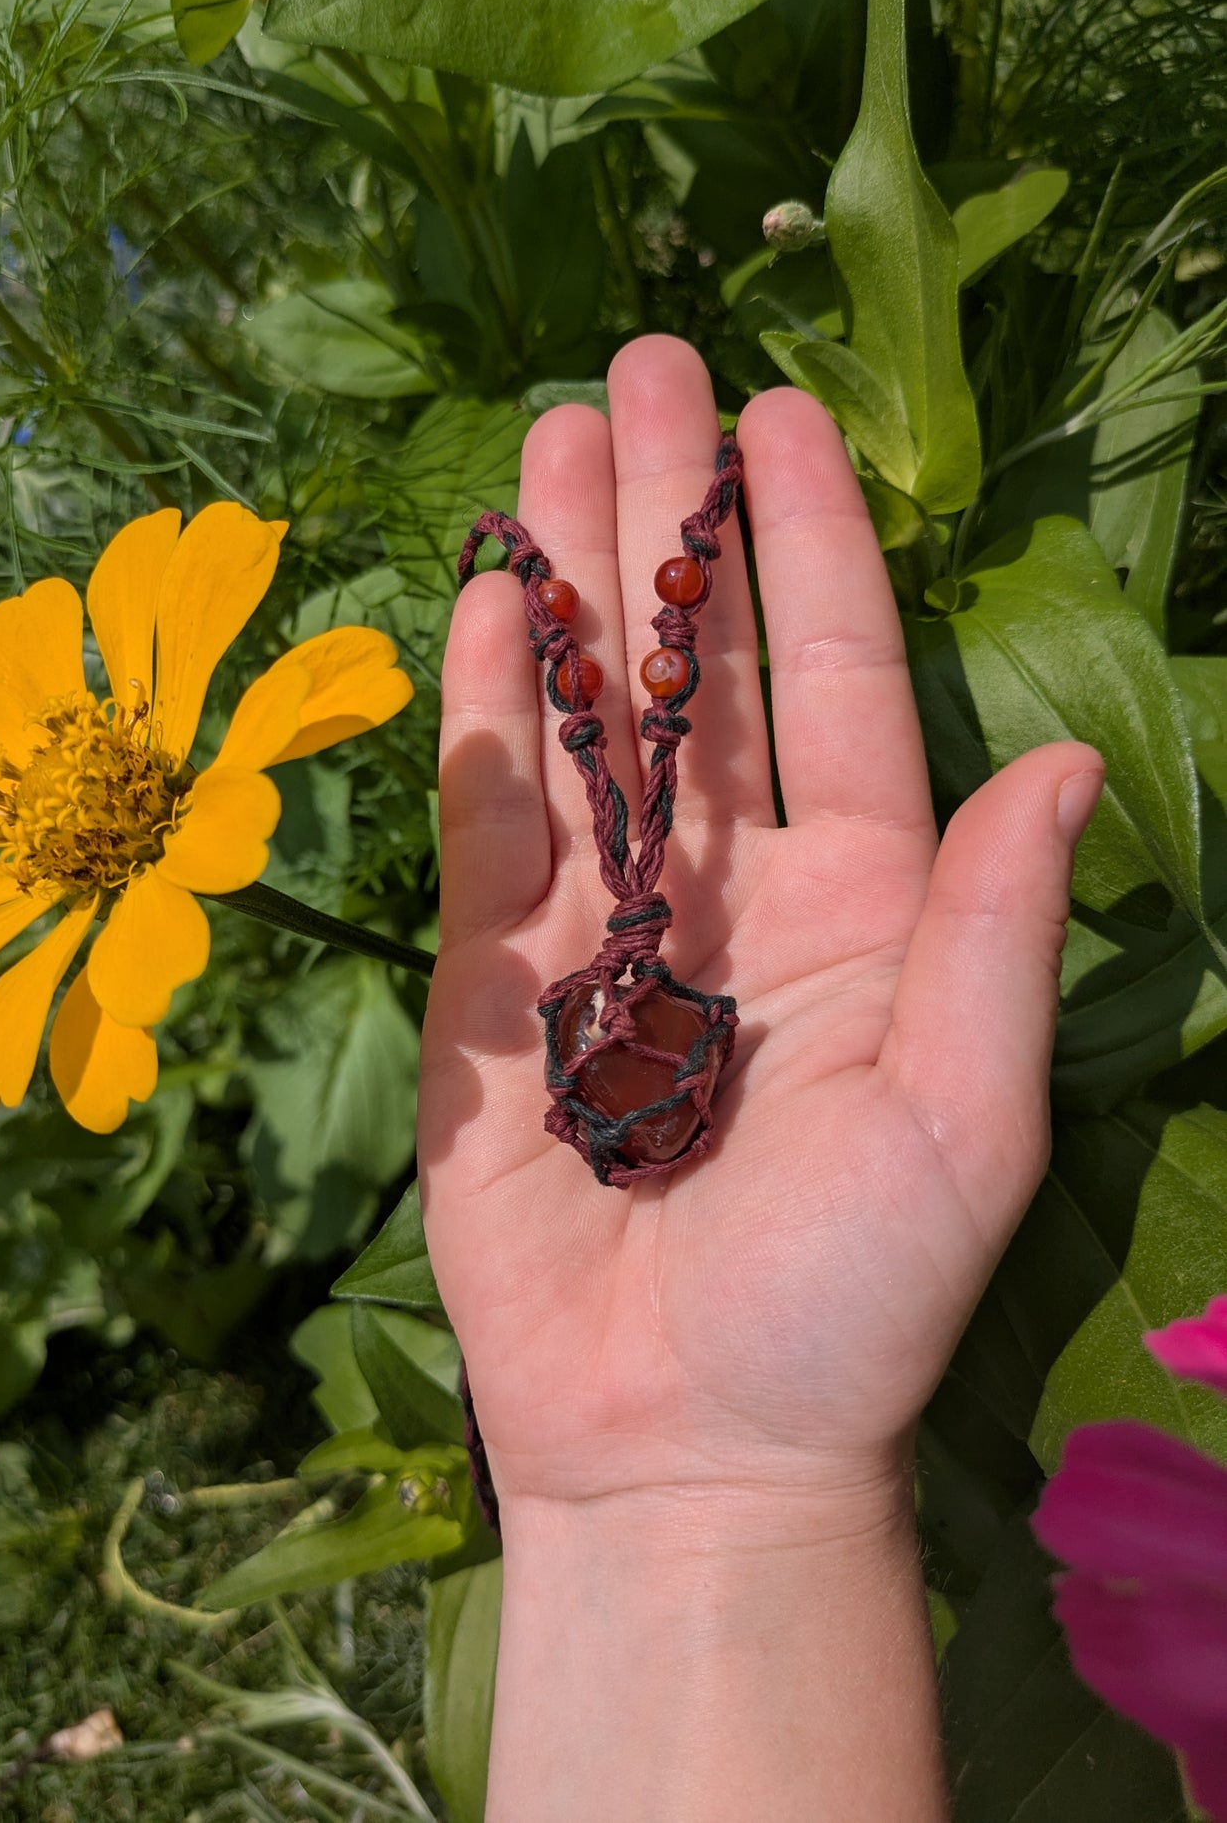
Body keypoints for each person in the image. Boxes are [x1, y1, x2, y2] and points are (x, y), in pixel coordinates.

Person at [415, 335, 1105, 1820]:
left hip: (639, 1033)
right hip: (631, 1028)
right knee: (622, 710)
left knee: (630, 711)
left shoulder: (640, 1022)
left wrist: (693, 1493)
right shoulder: (620, 1027)